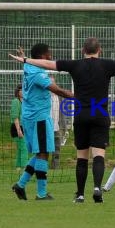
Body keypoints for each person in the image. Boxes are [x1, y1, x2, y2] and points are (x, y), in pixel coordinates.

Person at [9, 37, 115, 203]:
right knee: (96, 155)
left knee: (78, 157)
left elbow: (49, 65)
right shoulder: (107, 65)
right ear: (99, 50)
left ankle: (77, 194)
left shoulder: (70, 65)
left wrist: (25, 60)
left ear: (82, 51)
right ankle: (90, 189)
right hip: (93, 115)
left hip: (79, 116)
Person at [11, 43, 73, 201]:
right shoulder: (38, 73)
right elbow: (57, 90)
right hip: (39, 117)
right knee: (44, 153)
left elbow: (27, 63)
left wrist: (24, 56)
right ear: (42, 56)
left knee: (40, 153)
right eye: (49, 53)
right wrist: (77, 96)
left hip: (31, 116)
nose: (51, 55)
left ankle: (20, 185)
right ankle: (41, 193)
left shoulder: (29, 67)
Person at [49, 76, 68, 169]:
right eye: (50, 82)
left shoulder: (59, 97)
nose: (52, 84)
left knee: (57, 149)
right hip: (45, 127)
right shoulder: (44, 96)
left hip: (56, 127)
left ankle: (55, 168)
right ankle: (42, 167)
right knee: (44, 150)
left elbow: (61, 113)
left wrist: (64, 127)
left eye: (53, 82)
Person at [10, 84, 27, 171]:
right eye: (22, 90)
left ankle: (18, 166)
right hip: (17, 127)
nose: (24, 91)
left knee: (21, 148)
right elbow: (15, 117)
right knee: (24, 147)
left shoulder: (25, 102)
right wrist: (19, 130)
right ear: (18, 91)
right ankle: (25, 166)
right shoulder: (15, 102)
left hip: (24, 127)